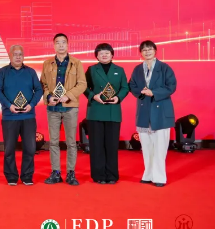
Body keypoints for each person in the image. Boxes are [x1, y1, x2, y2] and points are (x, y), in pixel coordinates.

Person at [0, 45, 43, 186]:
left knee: (30, 148)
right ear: (10, 56)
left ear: (23, 56)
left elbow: (39, 90)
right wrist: (9, 105)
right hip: (9, 116)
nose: (18, 56)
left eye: (20, 54)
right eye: (15, 54)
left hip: (28, 116)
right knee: (9, 149)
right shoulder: (2, 72)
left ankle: (27, 176)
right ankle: (11, 176)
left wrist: (31, 105)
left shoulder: (31, 72)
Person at [129, 40, 177, 187]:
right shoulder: (138, 69)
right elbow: (132, 85)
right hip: (144, 110)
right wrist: (142, 92)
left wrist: (154, 92)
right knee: (146, 147)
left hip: (161, 110)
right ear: (141, 53)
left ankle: (160, 177)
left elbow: (171, 86)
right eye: (144, 50)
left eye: (150, 49)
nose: (147, 52)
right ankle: (148, 174)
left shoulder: (164, 67)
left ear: (155, 51)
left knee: (160, 147)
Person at [40, 33, 87, 186]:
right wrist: (49, 96)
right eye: (58, 42)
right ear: (53, 45)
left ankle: (71, 173)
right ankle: (56, 172)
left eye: (63, 42)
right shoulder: (47, 63)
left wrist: (68, 96)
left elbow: (82, 84)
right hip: (53, 107)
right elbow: (43, 84)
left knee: (71, 142)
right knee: (53, 142)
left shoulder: (76, 63)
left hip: (70, 107)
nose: (61, 45)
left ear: (67, 44)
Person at [84, 43, 129, 184]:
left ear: (112, 55)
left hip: (113, 111)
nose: (104, 55)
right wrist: (93, 96)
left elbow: (125, 87)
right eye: (101, 53)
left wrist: (118, 98)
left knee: (112, 145)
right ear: (96, 56)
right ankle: (98, 175)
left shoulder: (119, 70)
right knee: (96, 145)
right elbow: (83, 86)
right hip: (96, 110)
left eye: (107, 53)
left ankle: (112, 175)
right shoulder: (91, 69)